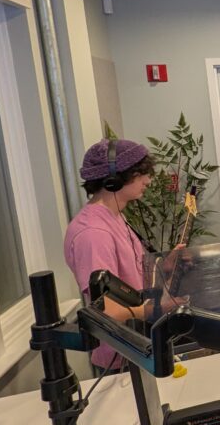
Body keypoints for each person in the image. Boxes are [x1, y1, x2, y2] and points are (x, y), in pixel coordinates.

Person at [64, 138, 179, 373]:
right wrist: (160, 308)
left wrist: (165, 267)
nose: (148, 181)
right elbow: (106, 312)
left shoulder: (116, 216)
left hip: (141, 348)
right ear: (114, 179)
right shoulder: (93, 234)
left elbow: (129, 280)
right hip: (123, 360)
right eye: (141, 173)